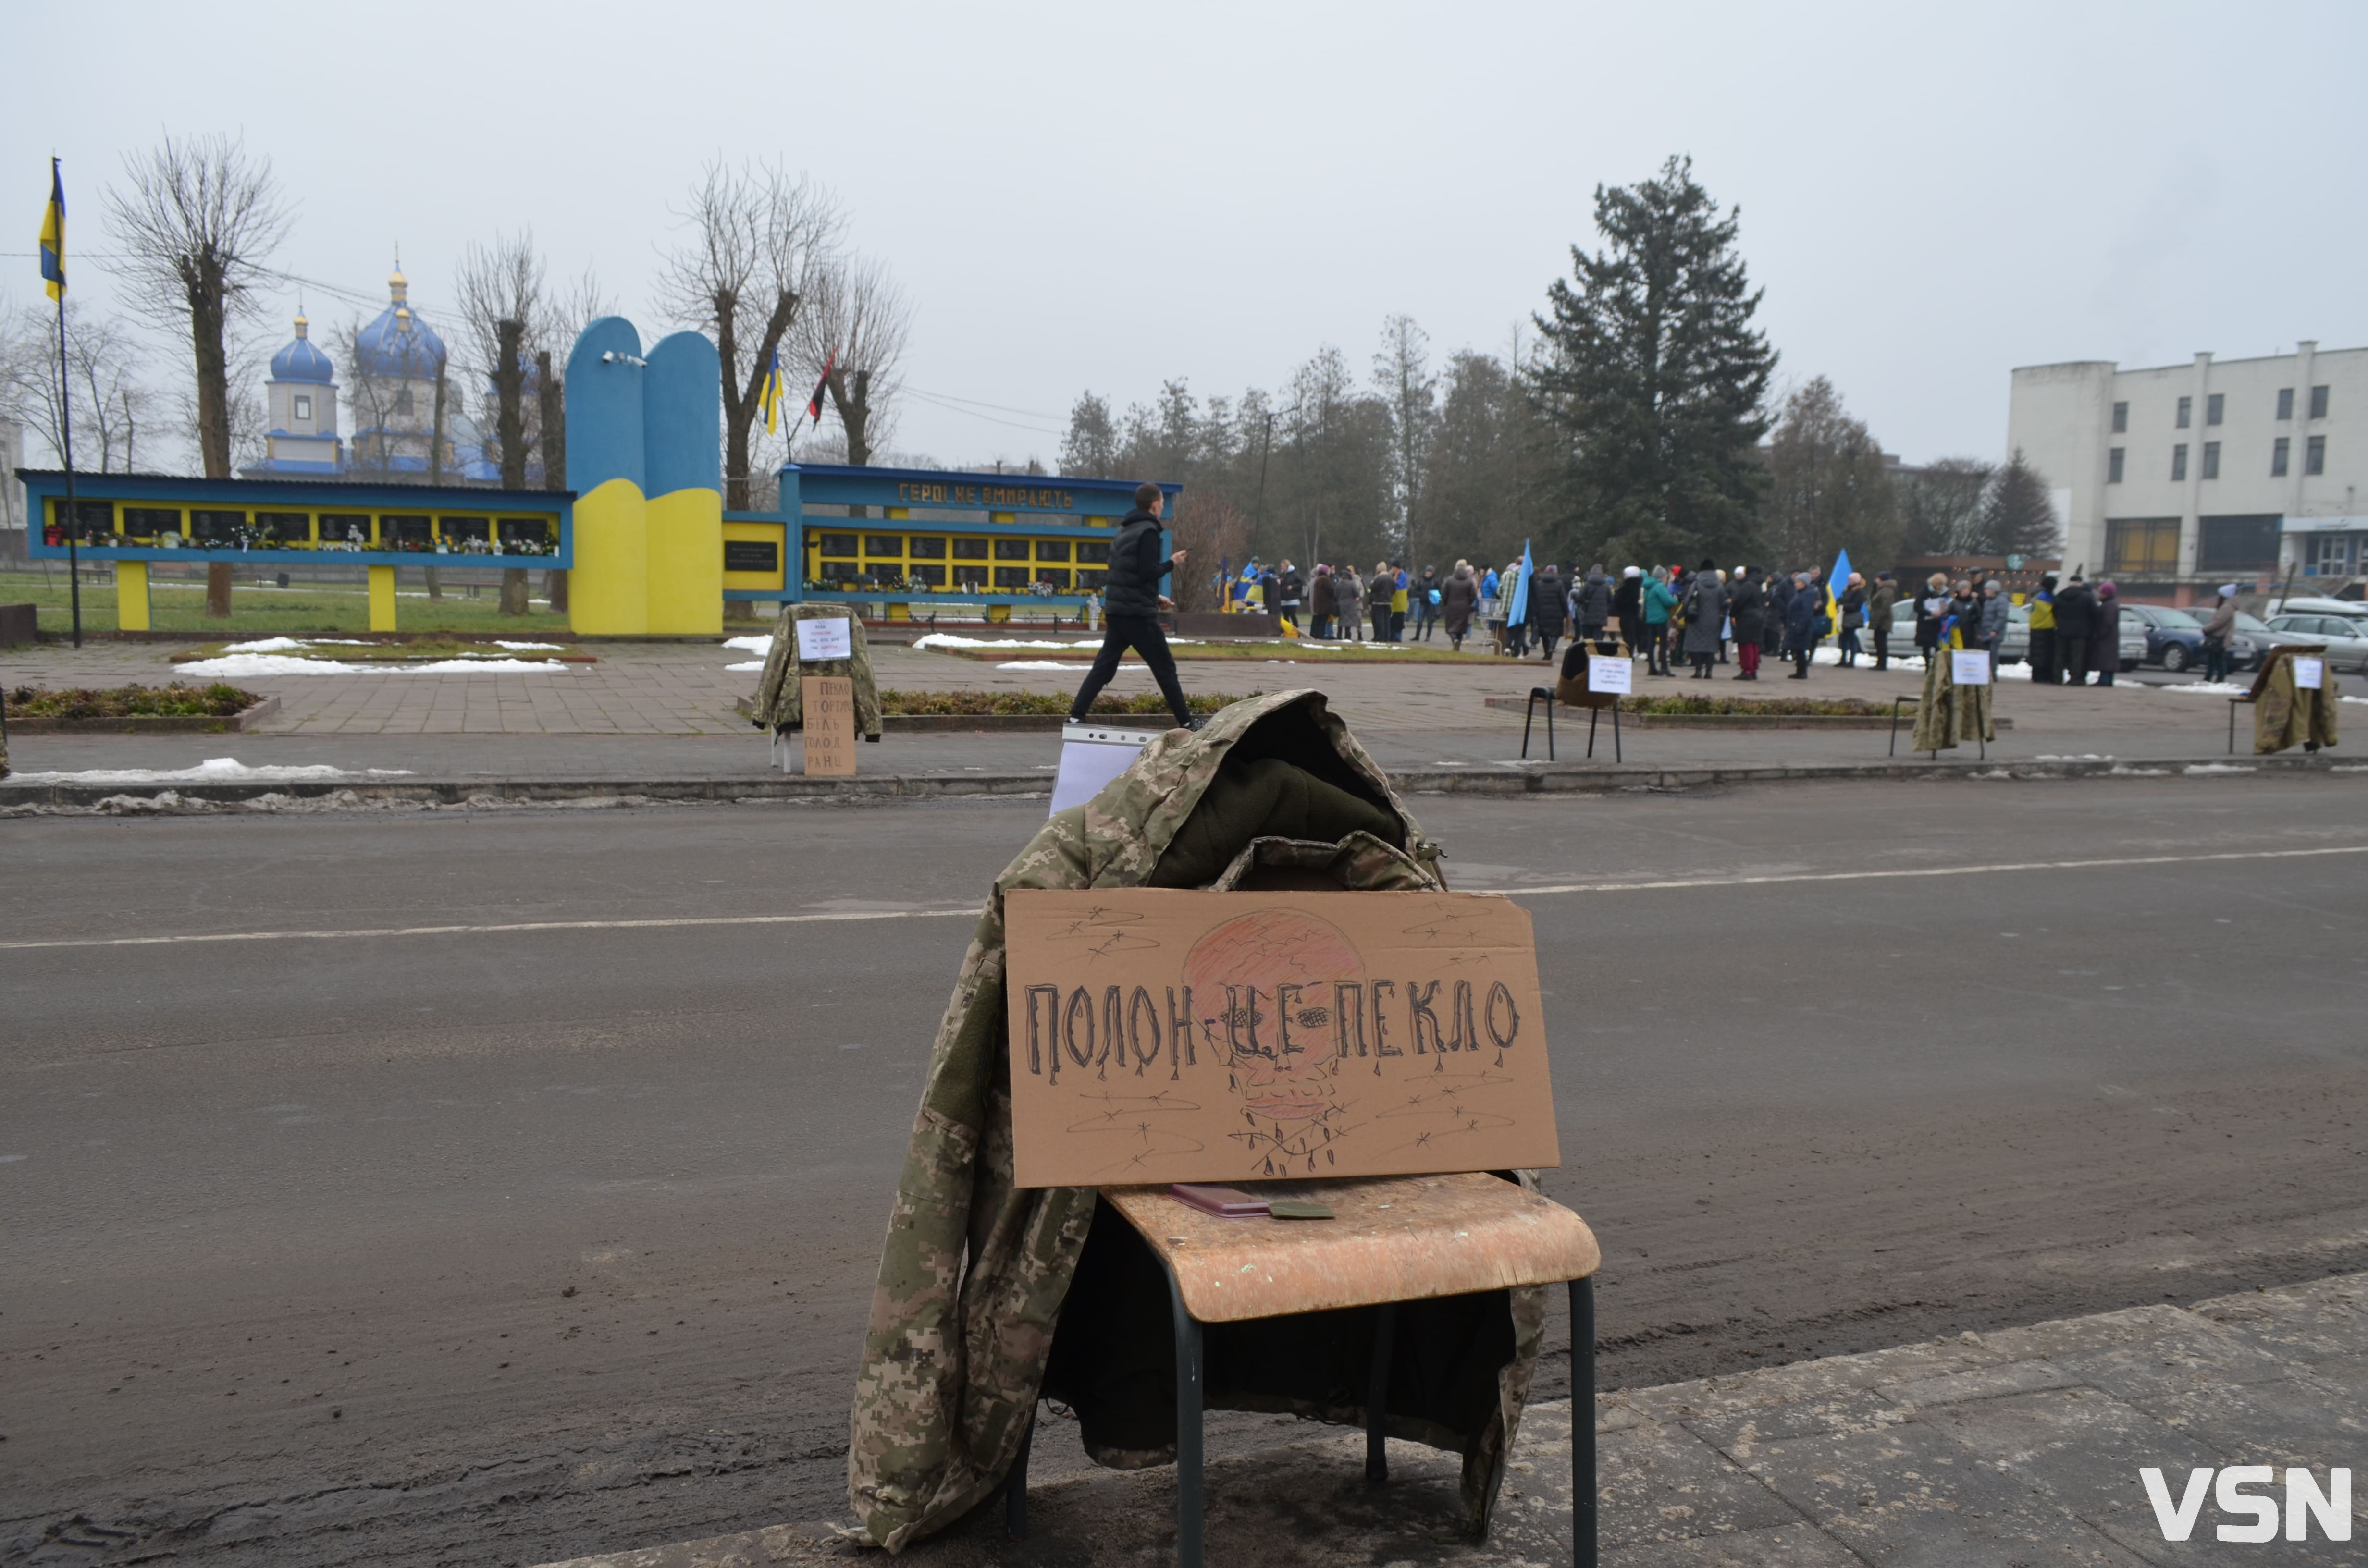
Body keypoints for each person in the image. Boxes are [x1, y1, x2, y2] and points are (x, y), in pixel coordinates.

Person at [1067, 482, 1196, 729]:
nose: (1162, 507)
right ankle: (1188, 724)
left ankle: (1076, 716)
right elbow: (1148, 572)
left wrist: (1156, 598)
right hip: (1137, 615)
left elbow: (1124, 575)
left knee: (1104, 667)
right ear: (1155, 504)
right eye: (1162, 503)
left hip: (1118, 611)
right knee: (1165, 667)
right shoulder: (1148, 531)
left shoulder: (1123, 532)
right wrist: (1172, 563)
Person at [1682, 564, 1727, 678]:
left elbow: (1688, 601)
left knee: (1696, 645)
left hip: (1696, 619)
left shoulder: (1697, 584)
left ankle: (1698, 671)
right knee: (1711, 646)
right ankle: (1709, 671)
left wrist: (1684, 613)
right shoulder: (1719, 586)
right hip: (1714, 621)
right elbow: (1724, 602)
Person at [2054, 572, 2097, 686]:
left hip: (2062, 630)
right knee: (2077, 657)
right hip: (2081, 632)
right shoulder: (2087, 597)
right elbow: (2095, 613)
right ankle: (2075, 679)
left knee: (2060, 656)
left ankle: (2057, 678)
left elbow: (2054, 611)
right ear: (2080, 584)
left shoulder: (2060, 595)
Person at [1727, 566, 1767, 680]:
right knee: (1754, 644)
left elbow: (1740, 600)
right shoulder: (1759, 585)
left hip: (1747, 618)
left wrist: (1732, 613)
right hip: (1758, 617)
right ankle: (1753, 669)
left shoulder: (1748, 585)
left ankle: (1747, 670)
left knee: (1745, 645)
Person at [1642, 565, 1679, 675]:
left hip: (1650, 618)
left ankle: (1652, 668)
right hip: (1661, 618)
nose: (1667, 579)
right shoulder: (1660, 586)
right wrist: (1675, 599)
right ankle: (1664, 667)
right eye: (1666, 577)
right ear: (1662, 577)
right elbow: (1668, 602)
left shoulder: (1648, 586)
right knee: (1663, 643)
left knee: (1651, 643)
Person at [1782, 570, 1818, 678]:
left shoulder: (1808, 594)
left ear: (1804, 583)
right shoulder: (1800, 593)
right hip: (1795, 625)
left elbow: (1807, 612)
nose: (1796, 584)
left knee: (1801, 650)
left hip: (1801, 626)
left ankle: (1802, 672)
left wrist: (1801, 626)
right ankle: (1800, 671)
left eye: (1798, 582)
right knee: (1798, 649)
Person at [1529, 562, 1566, 662]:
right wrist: (1566, 612)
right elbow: (1563, 599)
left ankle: (1546, 653)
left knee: (1545, 634)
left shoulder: (1539, 584)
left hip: (1542, 613)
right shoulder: (1559, 584)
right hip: (1557, 613)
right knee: (1555, 633)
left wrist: (1535, 611)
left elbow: (1535, 598)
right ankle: (1551, 648)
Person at [2200, 585, 2238, 683]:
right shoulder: (2229, 607)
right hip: (2220, 637)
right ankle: (2214, 678)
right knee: (2217, 659)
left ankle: (2215, 678)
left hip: (2219, 637)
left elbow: (2219, 622)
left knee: (2216, 659)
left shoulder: (2226, 607)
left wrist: (2206, 629)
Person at [2026, 573, 2059, 685]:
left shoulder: (2036, 594)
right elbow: (2051, 609)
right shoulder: (2045, 596)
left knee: (2036, 653)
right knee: (2044, 654)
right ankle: (2043, 676)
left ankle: (2037, 676)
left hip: (2035, 626)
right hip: (2046, 627)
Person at [1441, 559, 1480, 651]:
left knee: (1451, 628)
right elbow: (1474, 595)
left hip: (1451, 606)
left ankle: (1455, 641)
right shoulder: (1470, 581)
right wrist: (1468, 603)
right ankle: (1458, 644)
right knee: (1461, 628)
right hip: (1464, 607)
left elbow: (1444, 594)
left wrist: (1446, 603)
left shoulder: (1449, 580)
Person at [2090, 580, 2121, 687]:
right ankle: (2106, 680)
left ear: (2106, 594)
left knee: (2106, 661)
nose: (2099, 595)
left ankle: (2105, 681)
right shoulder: (2111, 604)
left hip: (2107, 639)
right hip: (2110, 638)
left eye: (2101, 592)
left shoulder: (2109, 606)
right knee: (2108, 661)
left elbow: (2108, 623)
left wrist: (2100, 634)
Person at [1576, 564, 1613, 650]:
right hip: (1601, 615)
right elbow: (1611, 600)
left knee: (1587, 637)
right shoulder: (1606, 585)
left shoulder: (1587, 584)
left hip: (1587, 614)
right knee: (1597, 636)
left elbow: (1579, 598)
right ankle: (1596, 654)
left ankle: (1587, 653)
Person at [1868, 571, 1899, 672]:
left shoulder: (1887, 590)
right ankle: (1880, 662)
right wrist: (1874, 588)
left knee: (1881, 642)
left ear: (1882, 579)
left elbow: (1885, 606)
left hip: (1883, 620)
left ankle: (1882, 664)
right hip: (1879, 619)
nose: (1876, 580)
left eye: (1878, 578)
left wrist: (1879, 618)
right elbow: (1873, 600)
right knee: (1878, 641)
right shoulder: (1881, 589)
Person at [1613, 565, 1644, 660]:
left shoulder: (1628, 587)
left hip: (1626, 614)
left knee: (1627, 635)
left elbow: (1620, 600)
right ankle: (1630, 653)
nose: (1624, 576)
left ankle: (1628, 654)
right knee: (1631, 635)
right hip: (1633, 613)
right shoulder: (1637, 586)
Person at [1837, 572, 1868, 666]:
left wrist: (1844, 606)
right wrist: (1838, 604)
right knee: (1843, 639)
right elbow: (1840, 599)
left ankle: (1852, 660)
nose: (1849, 581)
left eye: (1851, 580)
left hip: (1852, 617)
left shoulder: (1860, 592)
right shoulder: (1847, 590)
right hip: (1844, 616)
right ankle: (1843, 659)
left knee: (1851, 638)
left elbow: (1856, 605)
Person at [1977, 579, 2010, 662]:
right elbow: (1985, 618)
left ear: (1993, 590)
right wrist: (1981, 632)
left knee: (1993, 656)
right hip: (1986, 634)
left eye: (1987, 589)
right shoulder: (1988, 601)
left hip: (1995, 635)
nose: (1985, 592)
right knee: (1985, 656)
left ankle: (1993, 673)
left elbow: (2001, 617)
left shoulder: (2001, 601)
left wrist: (1995, 630)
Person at [1369, 561, 1395, 646]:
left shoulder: (1378, 579)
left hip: (1378, 601)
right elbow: (1394, 590)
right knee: (1387, 620)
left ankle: (1382, 637)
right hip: (1388, 602)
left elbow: (1372, 589)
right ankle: (1387, 637)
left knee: (1380, 620)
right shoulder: (1391, 578)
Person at [1336, 564, 1365, 641]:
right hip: (1351, 604)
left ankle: (1339, 635)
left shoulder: (1340, 583)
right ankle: (1347, 636)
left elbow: (1336, 593)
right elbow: (1357, 593)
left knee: (1342, 620)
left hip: (1343, 604)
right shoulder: (1352, 583)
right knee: (1348, 621)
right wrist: (1357, 596)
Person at [1308, 564, 1336, 640]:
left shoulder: (1318, 579)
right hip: (1325, 605)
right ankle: (1321, 637)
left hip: (1318, 605)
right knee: (1323, 623)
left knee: (1319, 622)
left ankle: (1317, 636)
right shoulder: (1325, 579)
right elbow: (1331, 591)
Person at [1277, 560, 1304, 634]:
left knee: (1292, 615)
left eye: (1284, 566)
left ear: (1288, 566)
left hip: (1293, 598)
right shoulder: (1282, 575)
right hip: (1284, 599)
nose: (1283, 568)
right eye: (1282, 566)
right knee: (1286, 616)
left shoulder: (1294, 574)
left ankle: (1297, 632)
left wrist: (1293, 587)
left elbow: (1301, 583)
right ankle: (1287, 633)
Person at [1415, 565, 1441, 641]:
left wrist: (1433, 593)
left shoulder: (1435, 581)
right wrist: (1422, 594)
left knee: (1430, 621)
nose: (1429, 573)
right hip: (1423, 602)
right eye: (1428, 571)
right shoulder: (1421, 581)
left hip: (1431, 604)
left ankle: (1428, 637)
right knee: (1420, 621)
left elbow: (1440, 591)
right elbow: (1417, 591)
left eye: (1431, 572)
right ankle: (1417, 636)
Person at [1389, 560, 1411, 642]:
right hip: (1394, 604)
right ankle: (1392, 636)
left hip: (1400, 603)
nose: (1393, 569)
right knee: (1393, 621)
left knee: (1398, 622)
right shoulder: (1393, 575)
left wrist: (1397, 574)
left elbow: (1394, 585)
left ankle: (1398, 638)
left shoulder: (1402, 575)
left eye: (1394, 568)